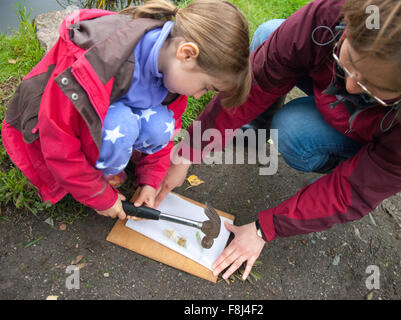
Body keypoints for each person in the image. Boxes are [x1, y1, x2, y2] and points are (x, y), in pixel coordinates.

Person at [154, 0, 401, 281]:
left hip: (370, 133)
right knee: (270, 33)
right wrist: (189, 150)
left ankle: (343, 157)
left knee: (292, 131)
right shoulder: (332, 14)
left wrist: (264, 228)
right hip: (337, 80)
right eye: (348, 61)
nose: (348, 85)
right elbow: (259, 80)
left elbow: (355, 190)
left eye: (373, 87)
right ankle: (258, 126)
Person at [1, 0, 250, 220]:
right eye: (206, 87)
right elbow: (58, 140)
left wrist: (152, 180)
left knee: (159, 124)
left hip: (102, 122)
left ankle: (111, 157)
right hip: (44, 131)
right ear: (186, 53)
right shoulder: (95, 59)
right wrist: (99, 196)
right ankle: (101, 174)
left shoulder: (173, 74)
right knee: (120, 122)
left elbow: (170, 127)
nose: (198, 96)